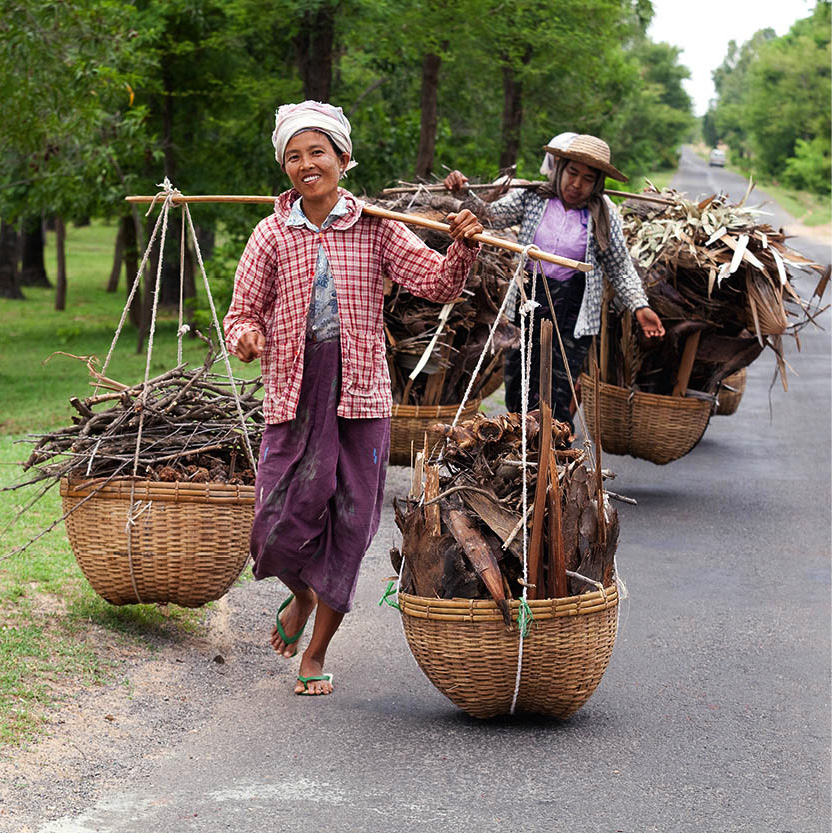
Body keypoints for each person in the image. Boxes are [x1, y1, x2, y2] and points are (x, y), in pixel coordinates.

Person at [223, 100, 483, 696]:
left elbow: (440, 283)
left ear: (343, 158)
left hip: (359, 395)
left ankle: (314, 654)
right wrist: (247, 336)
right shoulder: (271, 233)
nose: (306, 164)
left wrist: (464, 244)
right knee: (273, 520)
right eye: (294, 156)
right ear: (285, 167)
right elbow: (242, 313)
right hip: (294, 390)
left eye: (318, 152)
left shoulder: (374, 226)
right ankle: (302, 593)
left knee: (350, 523)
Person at [444, 132, 664, 430]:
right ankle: (521, 460)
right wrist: (462, 192)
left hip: (572, 314)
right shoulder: (533, 199)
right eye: (572, 173)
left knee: (555, 395)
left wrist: (640, 306)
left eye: (588, 178)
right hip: (527, 303)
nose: (577, 184)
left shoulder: (603, 216)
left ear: (597, 183)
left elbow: (620, 267)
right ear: (559, 168)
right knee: (518, 388)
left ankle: (554, 464)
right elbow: (487, 215)